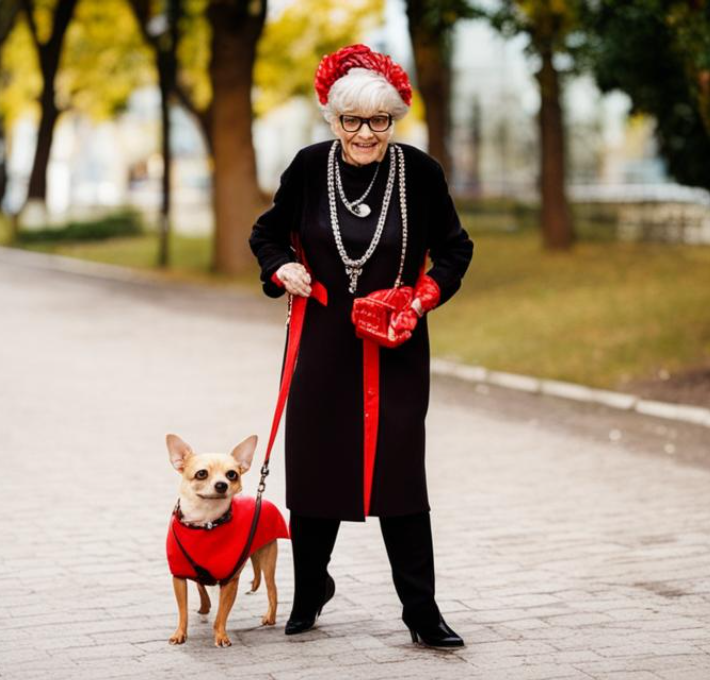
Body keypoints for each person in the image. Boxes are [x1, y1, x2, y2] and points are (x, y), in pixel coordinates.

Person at [248, 44, 474, 647]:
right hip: (322, 343)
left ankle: (422, 614)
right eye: (353, 120)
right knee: (319, 469)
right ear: (333, 120)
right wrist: (283, 270)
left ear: (394, 120)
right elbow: (267, 233)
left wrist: (423, 296)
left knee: (400, 476)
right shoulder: (306, 166)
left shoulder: (420, 173)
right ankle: (310, 589)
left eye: (380, 120)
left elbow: (456, 249)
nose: (366, 133)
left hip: (396, 345)